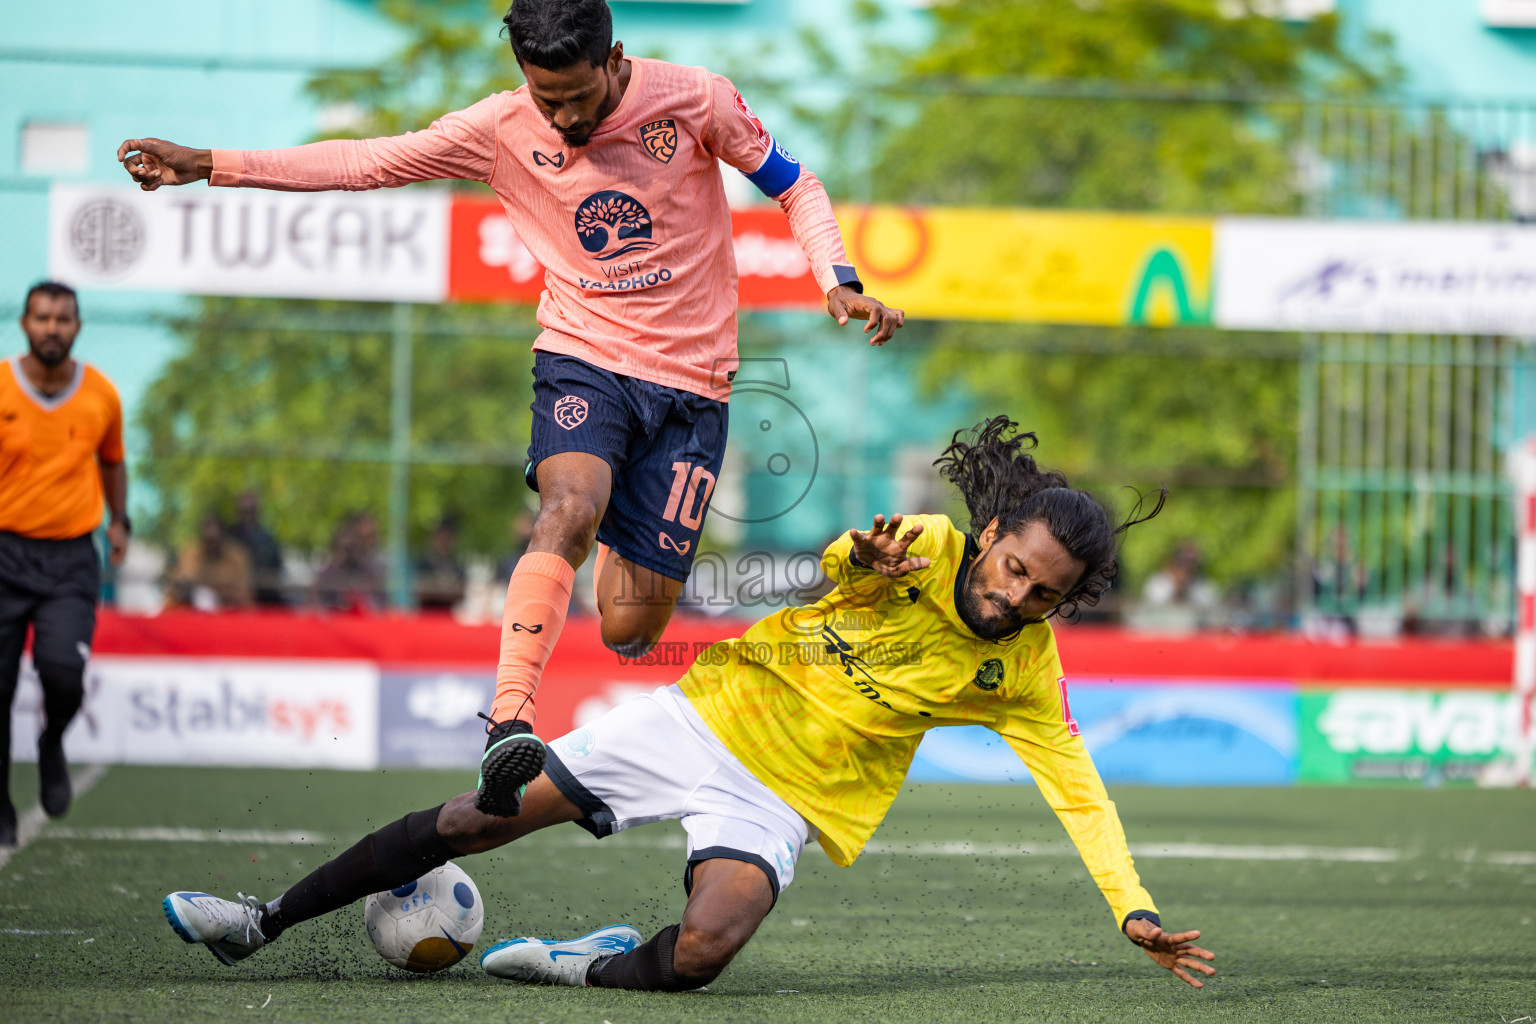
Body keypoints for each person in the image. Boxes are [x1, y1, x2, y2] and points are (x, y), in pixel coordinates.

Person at [118, 0, 905, 818]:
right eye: (544, 96)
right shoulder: (501, 126)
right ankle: (509, 720)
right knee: (566, 507)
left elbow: (794, 183)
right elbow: (367, 161)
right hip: (584, 359)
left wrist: (838, 279)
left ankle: (613, 542)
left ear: (615, 59)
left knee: (630, 629)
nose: (561, 118)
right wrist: (210, 163)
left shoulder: (696, 99)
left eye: (577, 98)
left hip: (693, 388)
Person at [159, 418, 1216, 992]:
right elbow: (837, 568)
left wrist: (1133, 907)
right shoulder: (928, 546)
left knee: (705, 952)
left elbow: (1080, 791)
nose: (1016, 595)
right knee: (474, 819)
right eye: (1016, 567)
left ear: (1065, 599)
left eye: (1045, 591)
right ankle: (261, 921)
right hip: (705, 716)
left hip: (792, 796)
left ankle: (581, 962)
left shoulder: (1026, 670)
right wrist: (859, 551)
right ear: (992, 537)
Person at [0, 281, 129, 846]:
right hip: (4, 552)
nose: (52, 327)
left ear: (77, 326)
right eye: (42, 317)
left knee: (63, 676)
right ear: (25, 324)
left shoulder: (100, 393)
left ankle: (51, 742)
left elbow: (113, 461)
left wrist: (120, 521)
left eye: (63, 318)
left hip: (72, 559)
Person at [166, 515, 254, 612]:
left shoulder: (237, 558)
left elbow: (244, 595)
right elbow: (176, 588)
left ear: (224, 537)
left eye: (214, 540)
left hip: (228, 612)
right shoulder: (189, 555)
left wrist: (217, 593)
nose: (212, 545)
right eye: (208, 541)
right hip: (193, 612)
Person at [227, 490, 285, 606]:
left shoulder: (268, 539)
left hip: (264, 598)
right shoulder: (229, 537)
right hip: (233, 598)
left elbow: (277, 570)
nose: (248, 516)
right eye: (245, 511)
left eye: (251, 511)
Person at [414, 517, 468, 613]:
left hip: (447, 617)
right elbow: (420, 592)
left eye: (447, 539)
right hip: (426, 615)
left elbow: (461, 593)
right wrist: (445, 589)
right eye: (441, 537)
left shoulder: (457, 565)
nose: (443, 542)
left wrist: (435, 588)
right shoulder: (423, 564)